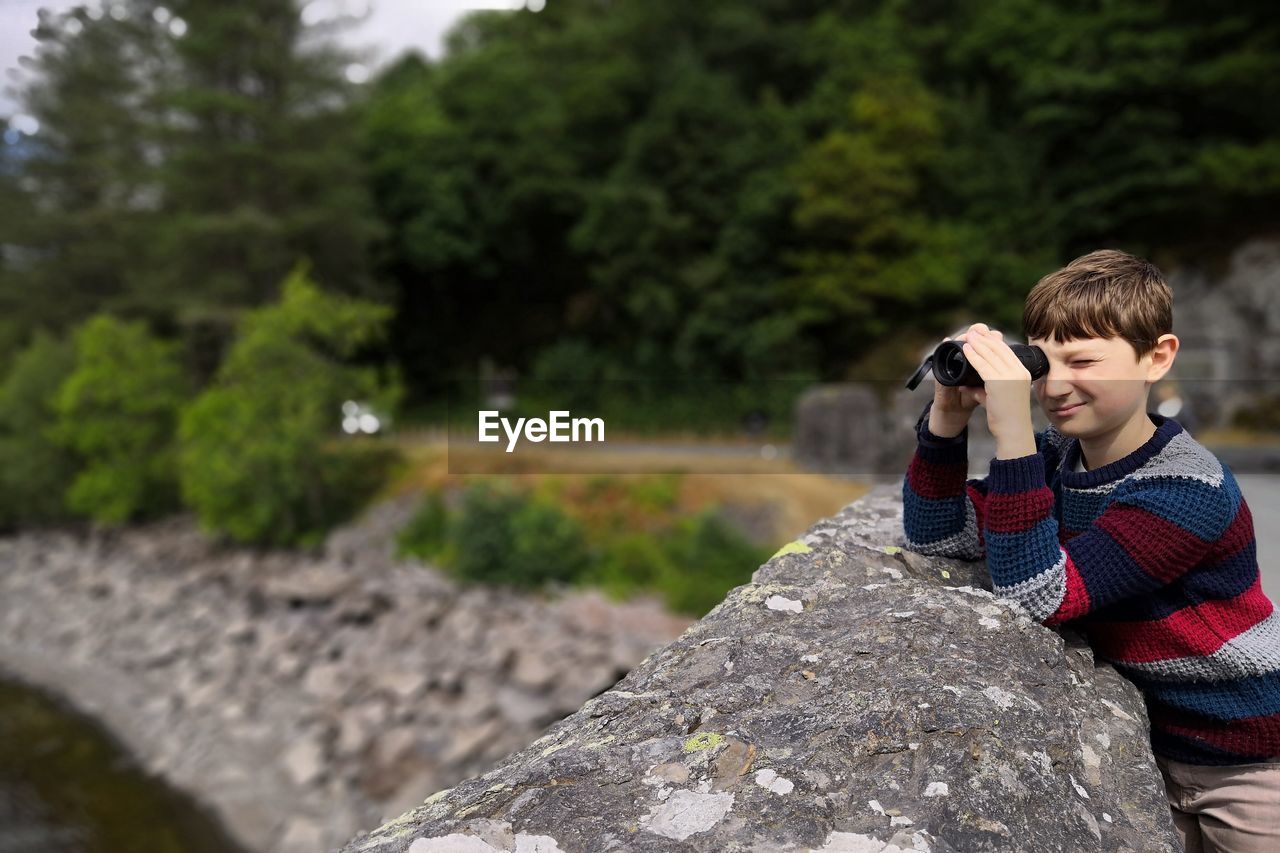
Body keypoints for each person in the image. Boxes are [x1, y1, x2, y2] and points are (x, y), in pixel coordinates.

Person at [900, 249, 1280, 852]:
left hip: (1252, 756)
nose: (1055, 385)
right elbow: (939, 535)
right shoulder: (1056, 459)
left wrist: (1014, 436)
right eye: (1039, 363)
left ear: (1157, 357)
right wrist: (947, 417)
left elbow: (1040, 594)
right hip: (1152, 746)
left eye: (1082, 360)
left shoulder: (1187, 489)